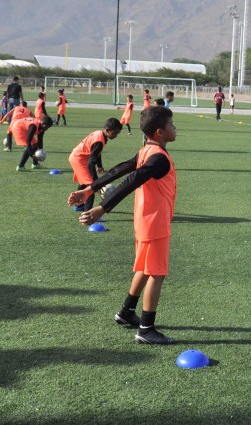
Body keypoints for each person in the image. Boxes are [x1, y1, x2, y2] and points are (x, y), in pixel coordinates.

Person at [67, 106, 177, 344]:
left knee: (144, 268)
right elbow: (131, 180)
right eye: (171, 124)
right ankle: (146, 328)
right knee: (156, 274)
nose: (175, 128)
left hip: (144, 221)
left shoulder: (147, 150)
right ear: (159, 132)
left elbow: (122, 168)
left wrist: (91, 188)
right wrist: (101, 208)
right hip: (155, 223)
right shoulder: (158, 158)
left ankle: (127, 312)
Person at [69, 118, 123, 212]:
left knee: (84, 183)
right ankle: (87, 213)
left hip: (78, 157)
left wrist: (99, 165)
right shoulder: (99, 141)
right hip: (79, 160)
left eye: (117, 133)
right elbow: (91, 161)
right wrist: (95, 181)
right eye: (114, 133)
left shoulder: (100, 134)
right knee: (91, 188)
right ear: (107, 130)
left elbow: (97, 153)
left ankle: (79, 205)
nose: (115, 136)